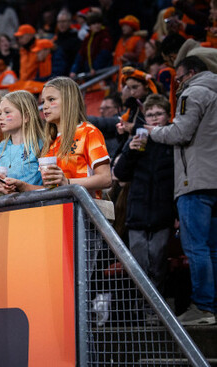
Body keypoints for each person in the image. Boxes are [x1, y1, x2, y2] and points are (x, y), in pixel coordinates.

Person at [146, 56, 217, 325]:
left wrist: (152, 132)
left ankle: (202, 308)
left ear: (192, 73)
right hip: (214, 183)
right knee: (212, 249)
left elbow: (180, 134)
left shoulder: (193, 92)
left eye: (179, 78)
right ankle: (212, 308)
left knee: (196, 248)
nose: (176, 84)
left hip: (196, 182)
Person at [113, 94, 175, 295]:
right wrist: (129, 151)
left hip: (163, 214)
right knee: (139, 267)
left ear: (168, 116)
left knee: (158, 265)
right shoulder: (136, 140)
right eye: (150, 115)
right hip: (137, 213)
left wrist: (176, 215)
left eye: (159, 113)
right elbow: (120, 174)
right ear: (144, 118)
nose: (154, 118)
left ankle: (157, 314)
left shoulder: (173, 142)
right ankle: (144, 314)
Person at [38, 77, 112, 196]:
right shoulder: (49, 142)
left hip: (83, 211)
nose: (45, 106)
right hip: (55, 210)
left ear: (69, 100)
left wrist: (67, 182)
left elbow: (105, 178)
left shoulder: (88, 132)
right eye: (43, 101)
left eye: (51, 99)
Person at [0, 91, 45, 196]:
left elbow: (51, 188)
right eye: (0, 113)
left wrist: (22, 188)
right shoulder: (2, 147)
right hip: (9, 207)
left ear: (26, 117)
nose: (0, 117)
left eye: (7, 112)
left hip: (36, 206)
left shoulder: (41, 144)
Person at [70, 12, 113, 78]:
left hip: (103, 72)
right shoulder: (87, 38)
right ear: (89, 25)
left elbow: (104, 54)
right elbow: (80, 55)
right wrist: (74, 70)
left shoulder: (105, 35)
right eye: (94, 23)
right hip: (91, 73)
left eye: (99, 23)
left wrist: (95, 68)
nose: (97, 25)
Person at [88, 94, 123, 159]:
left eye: (107, 108)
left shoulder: (121, 120)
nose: (102, 111)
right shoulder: (98, 126)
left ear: (118, 109)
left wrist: (82, 117)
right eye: (101, 108)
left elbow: (102, 122)